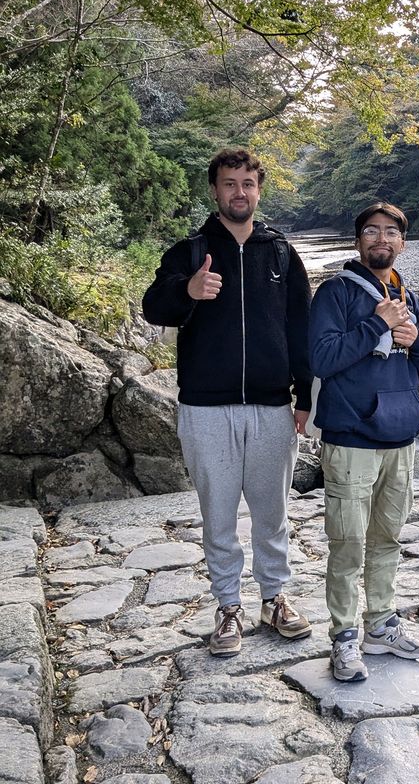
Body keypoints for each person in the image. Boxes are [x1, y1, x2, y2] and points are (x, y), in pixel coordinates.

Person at [142, 148, 313, 657]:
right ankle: (228, 607)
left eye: (248, 183)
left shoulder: (281, 252)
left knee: (272, 512)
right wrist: (188, 290)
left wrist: (305, 396)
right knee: (217, 514)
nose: (240, 192)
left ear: (259, 190)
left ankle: (274, 598)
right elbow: (154, 306)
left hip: (270, 406)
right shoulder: (190, 251)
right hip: (205, 409)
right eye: (229, 183)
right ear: (215, 190)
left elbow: (301, 327)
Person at [308, 201, 419, 682]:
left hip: (401, 438)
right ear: (358, 240)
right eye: (371, 231)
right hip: (351, 442)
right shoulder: (335, 293)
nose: (381, 239)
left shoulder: (410, 296)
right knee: (346, 544)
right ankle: (344, 639)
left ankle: (381, 626)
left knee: (387, 539)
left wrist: (416, 341)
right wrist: (377, 325)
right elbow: (321, 359)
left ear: (403, 243)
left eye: (391, 233)